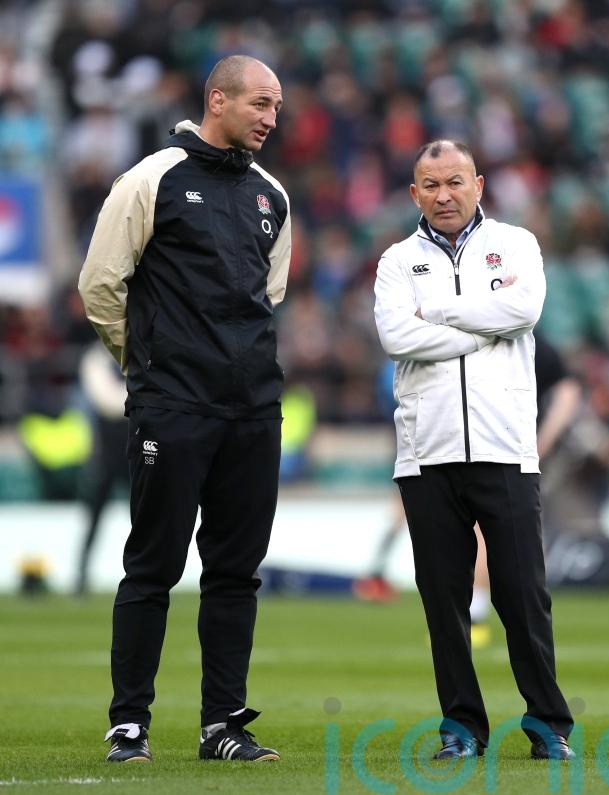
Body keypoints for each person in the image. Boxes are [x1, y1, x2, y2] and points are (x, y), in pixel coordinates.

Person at [78, 55, 291, 763]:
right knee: (153, 565)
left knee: (236, 572)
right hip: (172, 405)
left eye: (276, 107)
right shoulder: (151, 178)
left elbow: (269, 297)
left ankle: (221, 725)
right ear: (217, 100)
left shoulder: (272, 195)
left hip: (253, 411)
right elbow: (100, 284)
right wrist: (147, 364)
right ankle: (129, 725)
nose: (270, 118)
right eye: (259, 103)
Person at [374, 140, 575, 761]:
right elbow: (395, 335)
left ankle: (547, 724)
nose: (444, 195)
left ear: (479, 185)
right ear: (414, 193)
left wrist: (436, 314)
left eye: (455, 181)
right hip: (426, 453)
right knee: (444, 602)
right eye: (431, 185)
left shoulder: (516, 244)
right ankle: (461, 728)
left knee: (523, 598)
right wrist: (481, 330)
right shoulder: (396, 260)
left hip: (506, 448)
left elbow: (524, 310)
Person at [76, 341, 128, 596]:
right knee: (94, 517)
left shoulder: (136, 352)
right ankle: (81, 575)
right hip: (107, 452)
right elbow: (107, 401)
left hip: (134, 447)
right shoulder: (95, 359)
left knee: (146, 515)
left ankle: (153, 573)